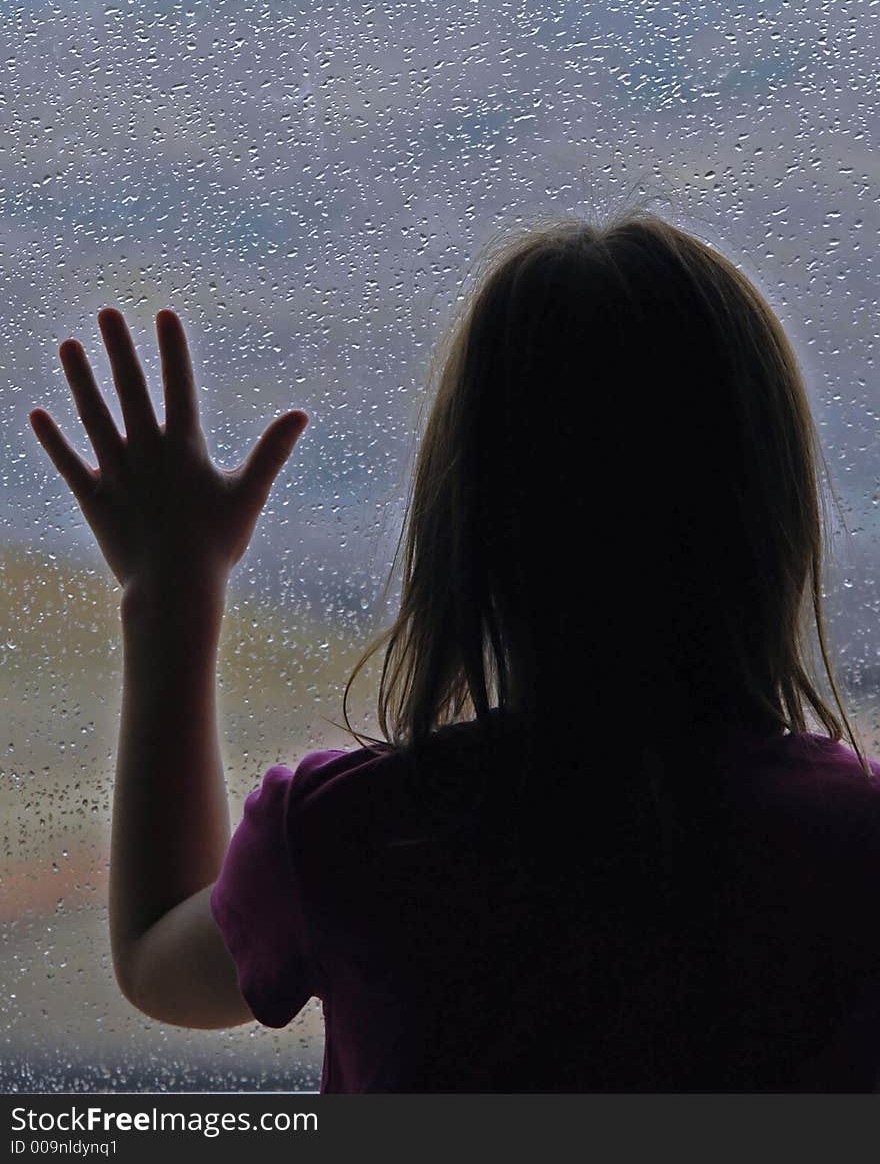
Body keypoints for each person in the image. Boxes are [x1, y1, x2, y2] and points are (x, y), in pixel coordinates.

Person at [29, 206, 880, 1093]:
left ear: (466, 534)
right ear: (775, 524)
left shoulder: (347, 836)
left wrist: (174, 588)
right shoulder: (856, 850)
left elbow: (158, 948)